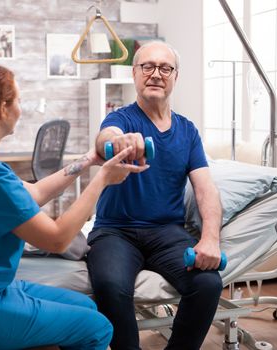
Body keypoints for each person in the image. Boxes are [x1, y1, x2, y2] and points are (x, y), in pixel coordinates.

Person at [0, 62, 149, 350]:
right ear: (3, 108)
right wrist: (102, 179)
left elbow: (36, 192)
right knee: (97, 328)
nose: (21, 108)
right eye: (18, 100)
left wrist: (89, 160)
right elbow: (56, 239)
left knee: (88, 307)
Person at [87, 41, 224, 350]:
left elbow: (205, 188)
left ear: (176, 76)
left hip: (166, 232)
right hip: (115, 231)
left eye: (165, 68)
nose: (156, 75)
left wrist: (210, 238)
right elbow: (104, 139)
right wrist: (119, 142)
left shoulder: (187, 131)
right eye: (147, 67)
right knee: (110, 284)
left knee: (208, 283)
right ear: (135, 74)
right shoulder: (121, 119)